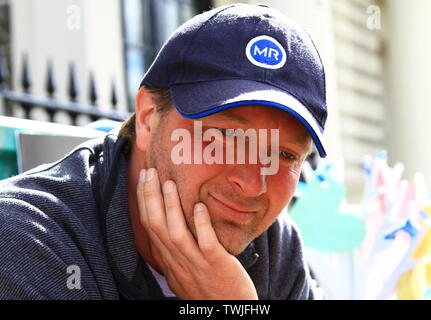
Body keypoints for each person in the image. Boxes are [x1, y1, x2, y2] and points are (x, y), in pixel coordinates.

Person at [0, 3, 327, 300]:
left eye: (284, 155)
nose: (254, 184)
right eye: (225, 136)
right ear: (146, 119)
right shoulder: (24, 241)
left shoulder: (275, 244)